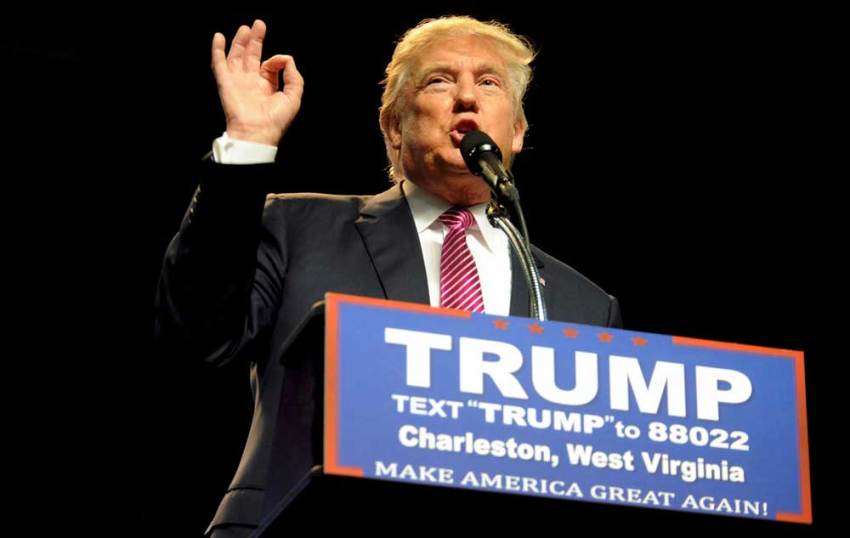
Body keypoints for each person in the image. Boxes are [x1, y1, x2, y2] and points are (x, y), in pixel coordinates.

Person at [155, 15, 622, 537]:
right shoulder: (299, 228)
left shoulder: (586, 307)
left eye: (489, 83)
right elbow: (196, 335)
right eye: (440, 81)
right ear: (395, 127)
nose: (468, 97)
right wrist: (247, 143)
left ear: (516, 132)